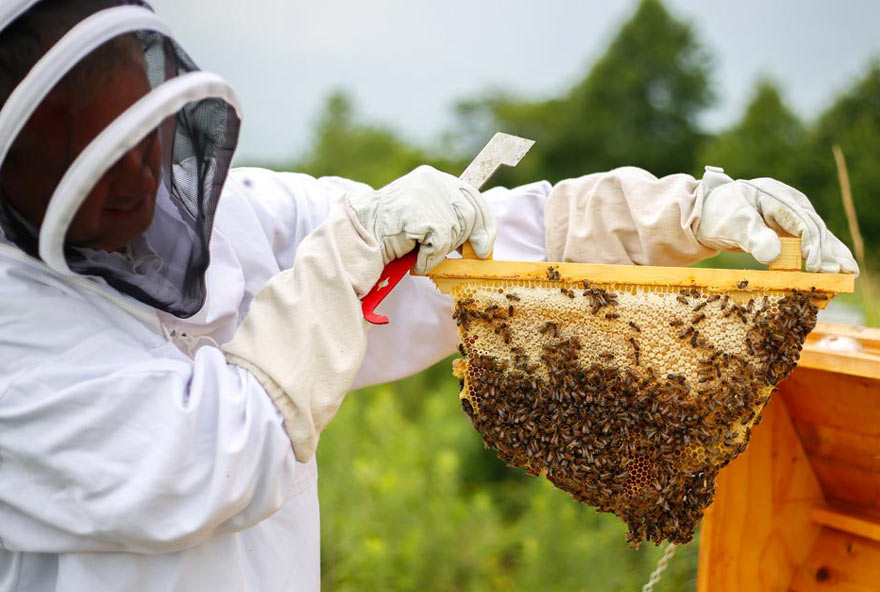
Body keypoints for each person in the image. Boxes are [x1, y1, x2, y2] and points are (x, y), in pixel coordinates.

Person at [0, 1, 857, 591]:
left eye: (141, 141)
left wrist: (680, 213)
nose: (138, 182)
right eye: (89, 159)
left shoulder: (232, 219)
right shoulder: (16, 342)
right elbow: (217, 455)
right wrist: (347, 260)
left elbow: (465, 253)